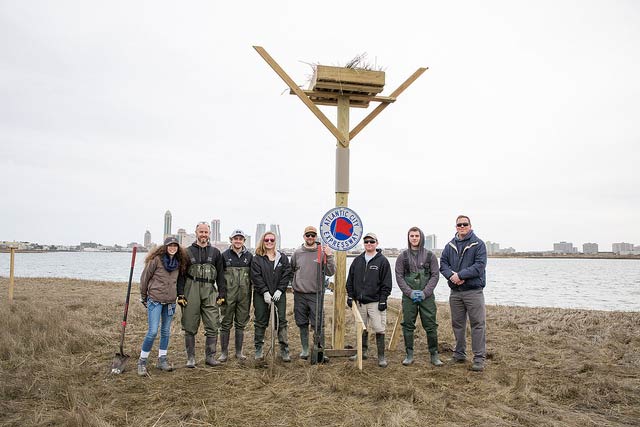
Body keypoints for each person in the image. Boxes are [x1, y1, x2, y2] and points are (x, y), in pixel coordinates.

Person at [439, 215, 488, 371]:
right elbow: (443, 264)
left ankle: (479, 358)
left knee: (477, 325)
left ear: (470, 226)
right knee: (458, 324)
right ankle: (459, 354)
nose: (462, 226)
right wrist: (452, 276)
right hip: (456, 292)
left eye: (464, 224)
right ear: (456, 227)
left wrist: (460, 275)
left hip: (474, 291)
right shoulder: (449, 245)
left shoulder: (479, 244)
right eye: (459, 225)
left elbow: (479, 266)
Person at [176, 222, 226, 368]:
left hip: (210, 290)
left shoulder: (216, 253)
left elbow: (221, 275)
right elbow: (181, 275)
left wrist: (221, 293)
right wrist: (180, 294)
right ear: (196, 233)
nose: (203, 234)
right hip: (191, 290)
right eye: (201, 232)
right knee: (190, 324)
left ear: (209, 234)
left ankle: (210, 357)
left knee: (213, 323)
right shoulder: (186, 252)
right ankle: (190, 358)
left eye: (206, 232)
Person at [137, 236, 188, 376]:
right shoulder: (156, 260)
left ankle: (162, 360)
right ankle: (142, 361)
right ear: (165, 247)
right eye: (170, 245)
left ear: (178, 248)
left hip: (170, 302)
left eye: (175, 246)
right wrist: (143, 296)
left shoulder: (179, 262)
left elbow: (180, 281)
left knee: (166, 331)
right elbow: (144, 278)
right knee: (153, 331)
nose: (172, 248)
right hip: (155, 300)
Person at [395, 227, 443, 367]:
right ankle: (409, 354)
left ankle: (434, 354)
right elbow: (399, 276)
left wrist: (425, 292)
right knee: (408, 325)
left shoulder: (430, 256)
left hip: (426, 297)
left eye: (417, 236)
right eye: (412, 236)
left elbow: (435, 275)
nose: (414, 238)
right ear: (408, 238)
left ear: (421, 237)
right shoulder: (402, 256)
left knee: (431, 325)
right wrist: (409, 292)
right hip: (408, 297)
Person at [346, 232, 392, 367]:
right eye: (366, 242)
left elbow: (387, 283)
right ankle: (362, 352)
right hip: (360, 302)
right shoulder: (358, 260)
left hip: (375, 302)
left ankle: (381, 357)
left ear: (377, 243)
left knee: (379, 328)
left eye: (372, 242)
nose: (369, 244)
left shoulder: (382, 261)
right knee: (361, 329)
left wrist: (383, 299)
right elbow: (350, 280)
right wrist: (350, 295)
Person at [290, 225, 336, 360]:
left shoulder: (321, 252)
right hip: (300, 294)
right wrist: (293, 284)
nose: (310, 237)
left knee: (318, 323)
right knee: (302, 322)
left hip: (316, 294)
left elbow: (330, 271)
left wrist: (330, 256)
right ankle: (305, 350)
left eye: (313, 235)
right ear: (304, 236)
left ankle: (320, 350)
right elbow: (291, 270)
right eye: (308, 235)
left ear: (316, 237)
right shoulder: (297, 253)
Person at [251, 231, 293, 362]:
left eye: (272, 240)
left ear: (275, 241)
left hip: (278, 295)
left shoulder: (282, 258)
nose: (269, 242)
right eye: (267, 240)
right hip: (261, 295)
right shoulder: (257, 258)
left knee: (281, 321)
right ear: (263, 241)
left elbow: (287, 274)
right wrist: (264, 291)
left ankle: (284, 350)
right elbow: (256, 277)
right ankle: (259, 350)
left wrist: (280, 290)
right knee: (260, 321)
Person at [218, 229, 253, 362]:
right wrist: (221, 294)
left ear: (244, 241)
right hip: (228, 296)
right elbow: (220, 277)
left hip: (244, 296)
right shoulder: (224, 255)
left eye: (240, 239)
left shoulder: (249, 257)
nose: (238, 241)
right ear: (231, 239)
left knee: (240, 324)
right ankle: (224, 353)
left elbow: (253, 277)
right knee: (225, 323)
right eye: (235, 238)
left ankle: (239, 352)